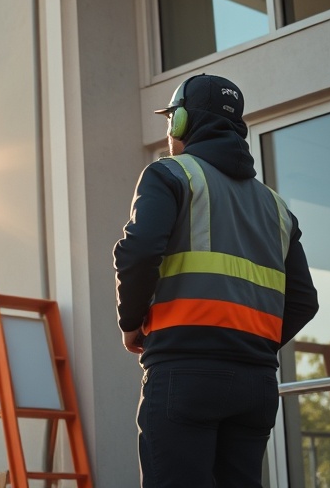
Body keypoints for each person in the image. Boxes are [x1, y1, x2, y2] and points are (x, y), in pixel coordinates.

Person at [113, 74, 319, 488]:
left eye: (171, 119)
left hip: (184, 372)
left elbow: (139, 251)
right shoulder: (277, 207)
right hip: (256, 383)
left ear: (181, 122)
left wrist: (131, 322)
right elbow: (303, 300)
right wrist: (251, 343)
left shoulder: (170, 174)